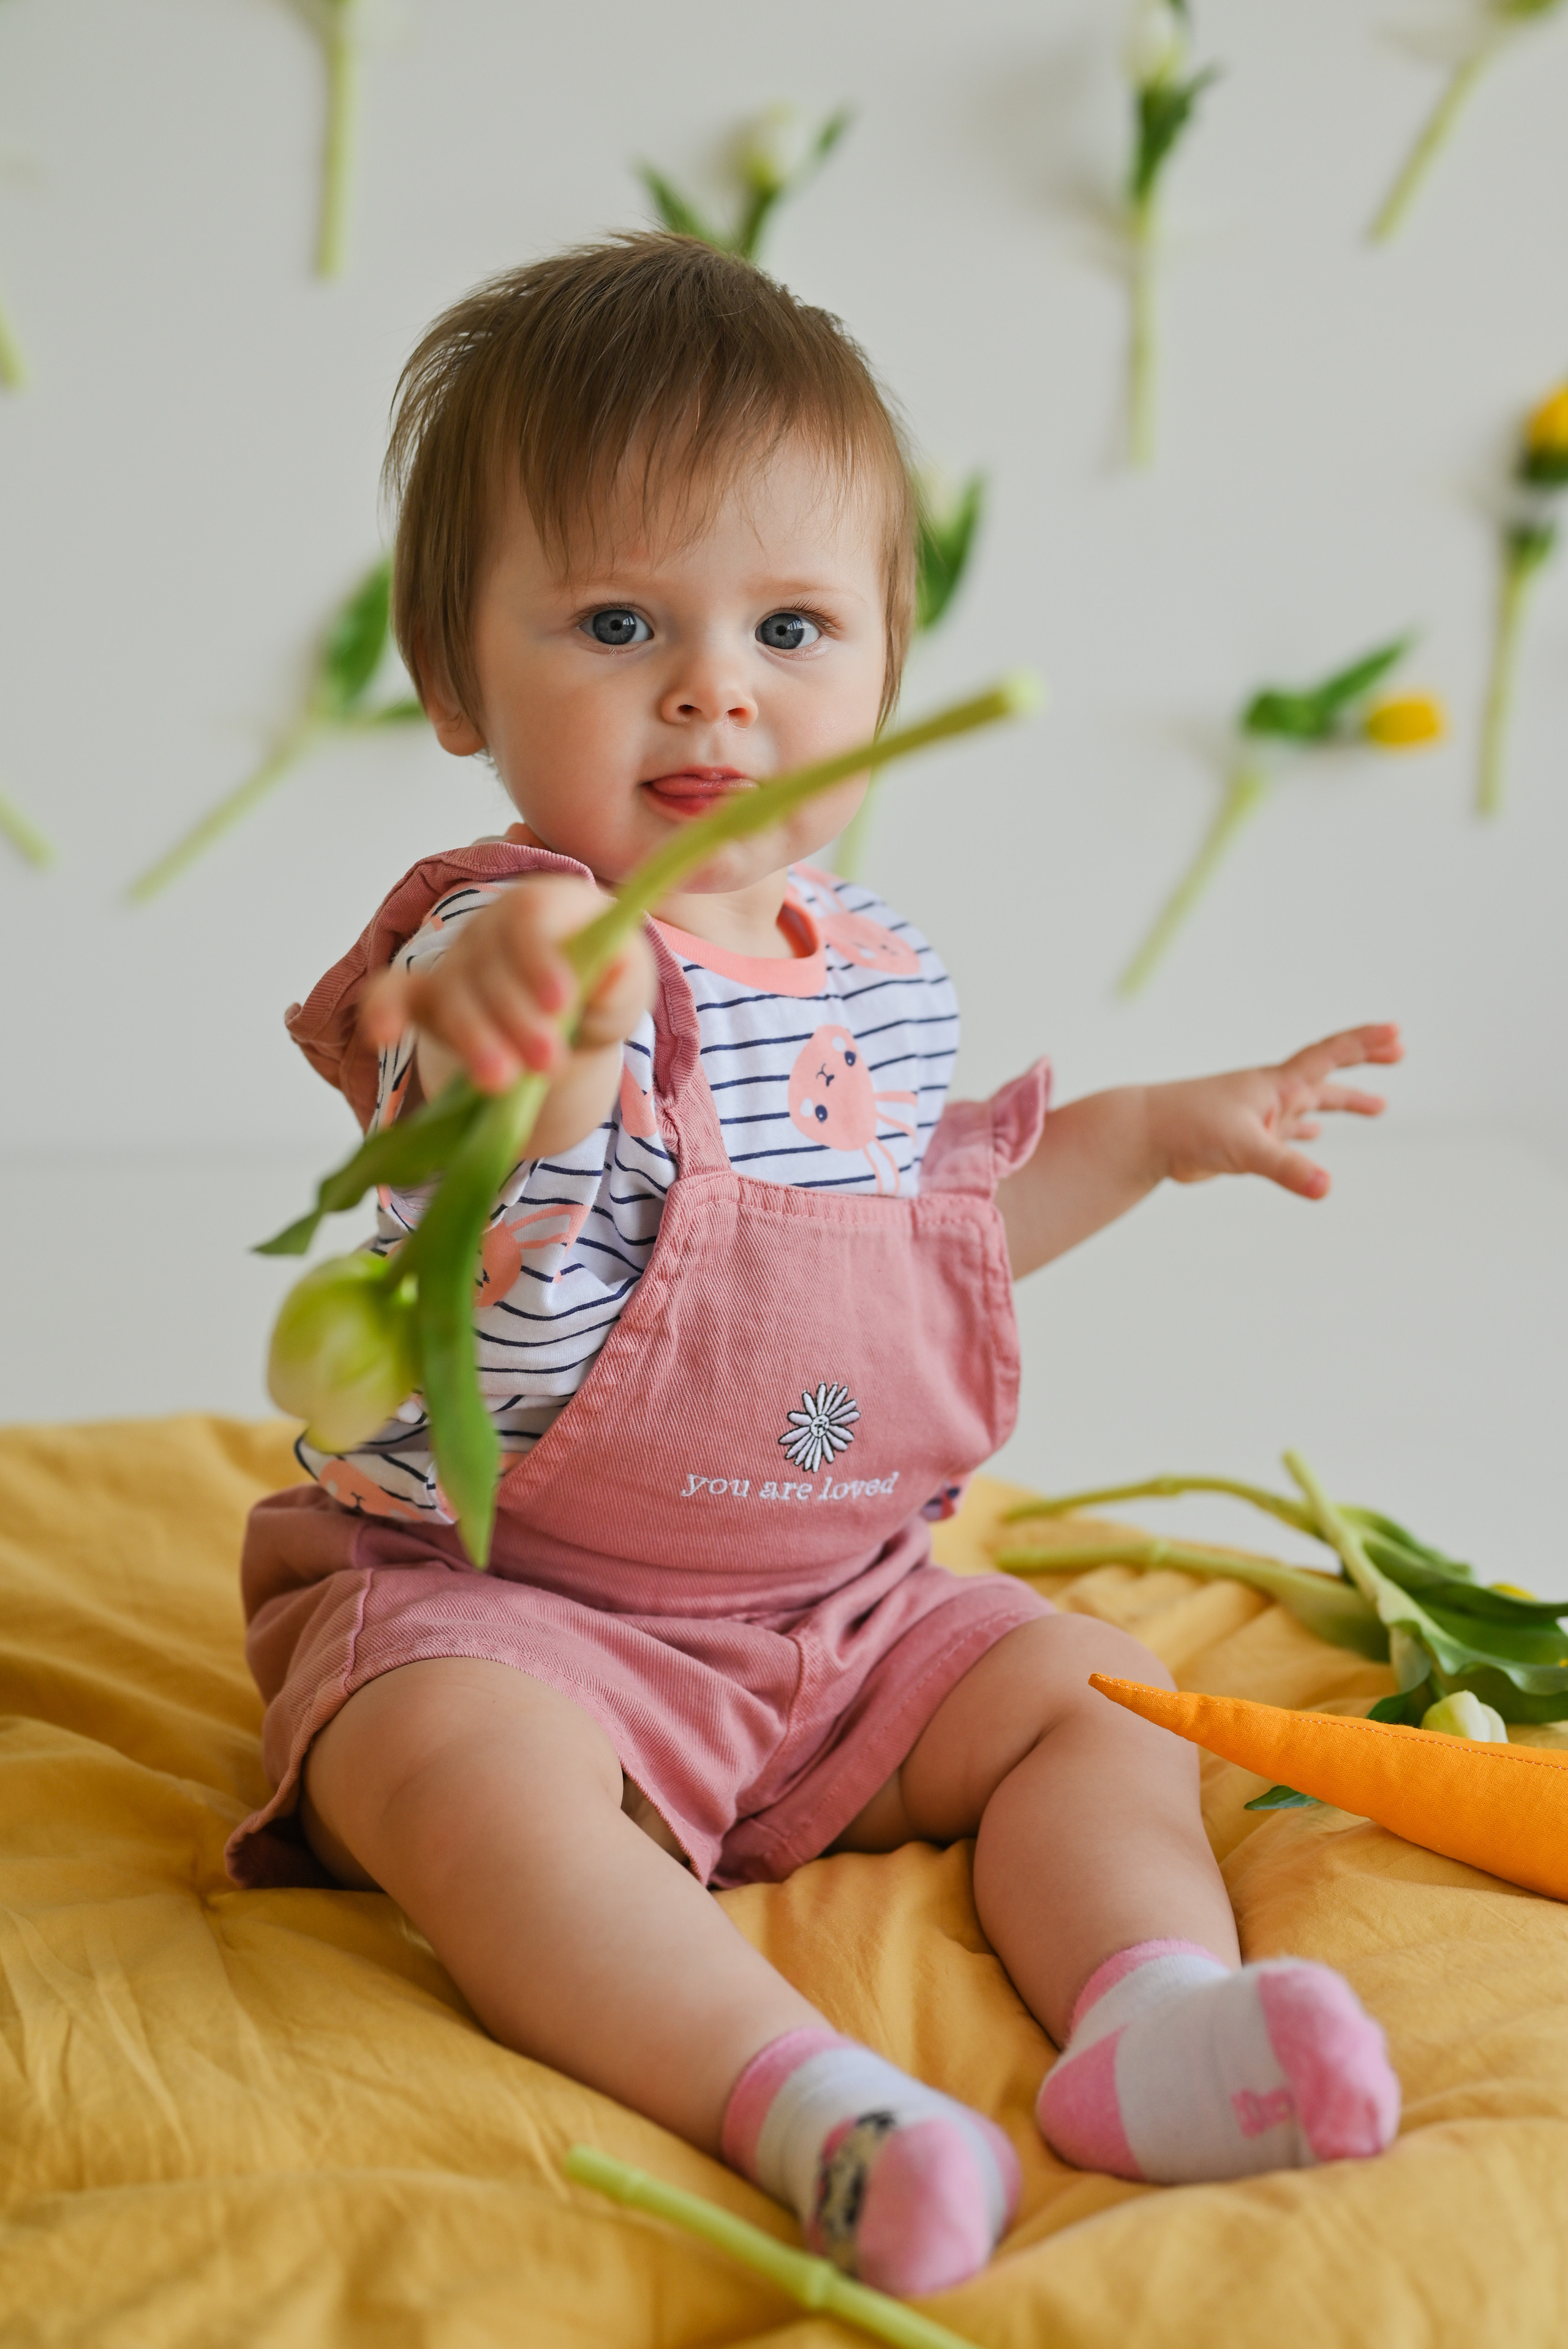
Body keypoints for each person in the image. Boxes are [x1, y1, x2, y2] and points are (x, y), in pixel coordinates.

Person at [229, 233, 1402, 2297]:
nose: (715, 687)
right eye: (616, 621)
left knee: (1101, 1702)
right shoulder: (511, 929)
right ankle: (805, 2102)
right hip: (531, 1617)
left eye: (790, 623)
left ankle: (1147, 2019)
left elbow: (898, 1260)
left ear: (884, 669)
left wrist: (1137, 1135)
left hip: (844, 1620)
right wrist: (531, 1027)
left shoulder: (873, 978)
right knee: (443, 1771)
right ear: (453, 676)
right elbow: (467, 1043)